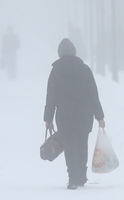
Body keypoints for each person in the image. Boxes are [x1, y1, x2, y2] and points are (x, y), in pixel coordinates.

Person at [43, 38, 105, 190]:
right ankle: (82, 176)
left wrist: (48, 118)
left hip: (64, 115)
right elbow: (93, 94)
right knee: (82, 143)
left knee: (70, 145)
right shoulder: (84, 69)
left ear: (59, 53)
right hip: (84, 114)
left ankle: (73, 178)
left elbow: (51, 96)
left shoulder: (56, 71)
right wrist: (100, 116)